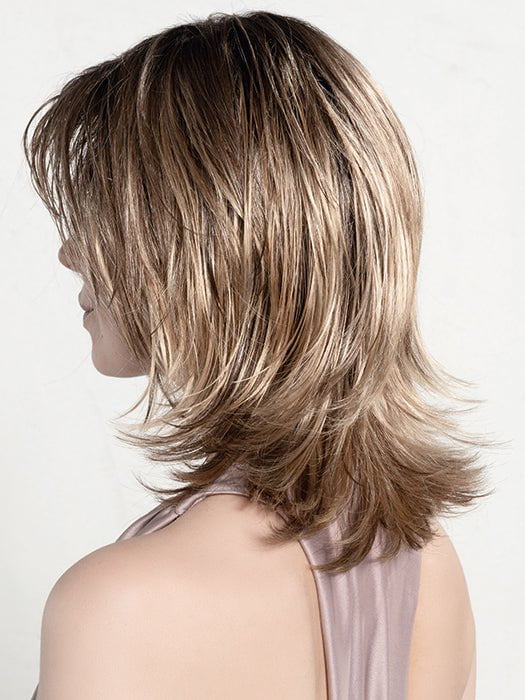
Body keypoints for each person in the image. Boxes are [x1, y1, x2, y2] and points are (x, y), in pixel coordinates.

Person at [24, 10, 495, 699]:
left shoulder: (115, 605)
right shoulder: (421, 558)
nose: (70, 254)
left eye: (104, 217)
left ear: (199, 246)